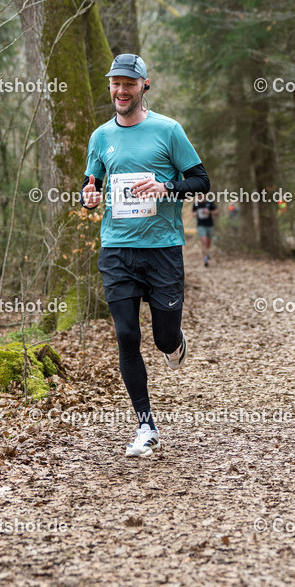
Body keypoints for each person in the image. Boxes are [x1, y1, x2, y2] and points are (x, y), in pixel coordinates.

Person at [80, 53, 210, 457]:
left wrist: (165, 187)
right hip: (117, 248)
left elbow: (201, 181)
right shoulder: (101, 137)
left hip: (162, 250)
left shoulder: (168, 130)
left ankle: (175, 341)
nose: (121, 90)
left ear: (144, 86)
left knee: (162, 338)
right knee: (125, 335)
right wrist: (88, 198)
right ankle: (145, 425)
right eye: (115, 83)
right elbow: (91, 185)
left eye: (129, 83)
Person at [192, 193, 218, 266]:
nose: (201, 197)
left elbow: (216, 212)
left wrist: (209, 212)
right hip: (201, 225)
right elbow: (193, 213)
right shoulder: (196, 204)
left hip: (209, 225)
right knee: (204, 241)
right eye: (200, 196)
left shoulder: (210, 203)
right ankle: (205, 258)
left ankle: (207, 251)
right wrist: (195, 214)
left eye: (203, 196)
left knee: (208, 242)